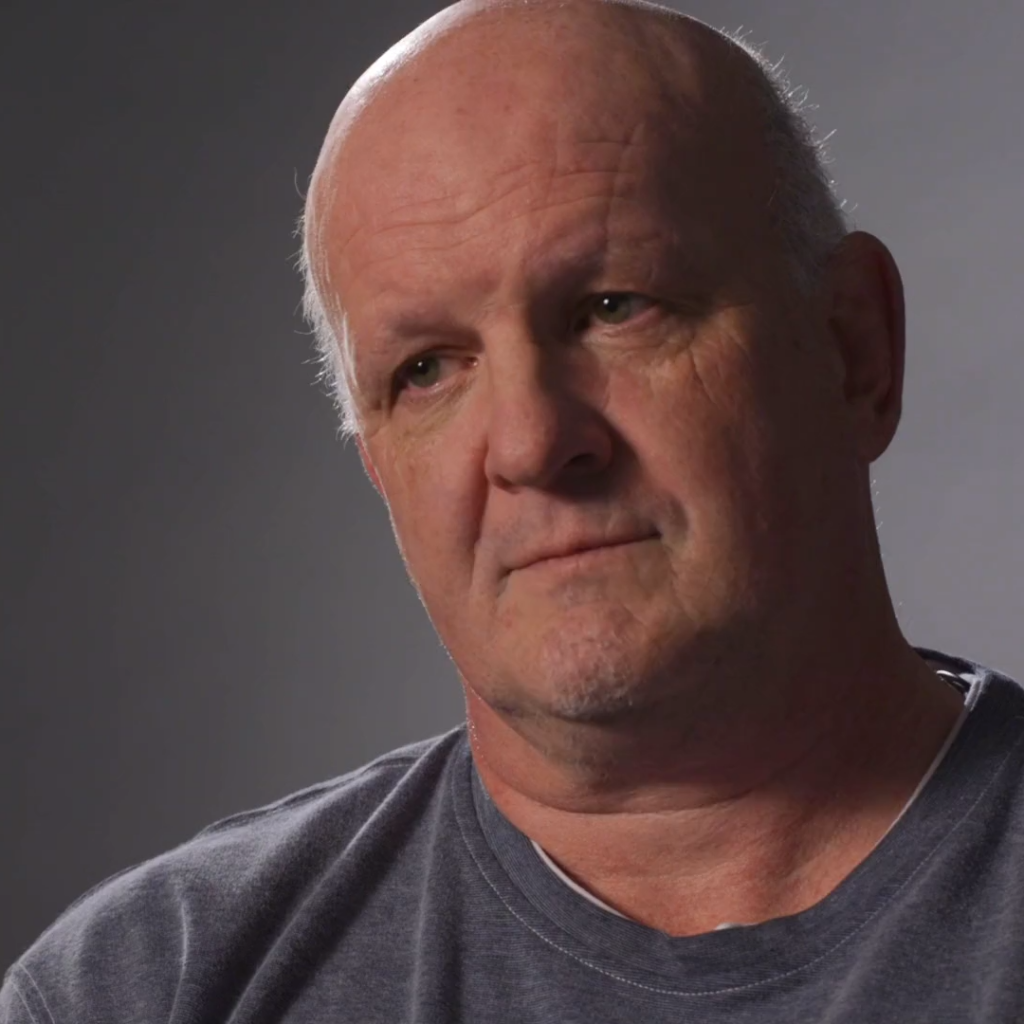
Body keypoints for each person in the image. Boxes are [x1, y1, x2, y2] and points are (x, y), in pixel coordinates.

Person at [4, 0, 1024, 1020]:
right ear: (379, 467)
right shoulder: (146, 989)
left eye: (613, 307)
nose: (533, 444)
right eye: (427, 370)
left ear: (853, 350)